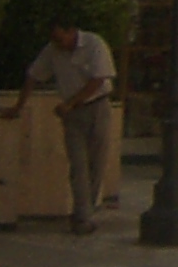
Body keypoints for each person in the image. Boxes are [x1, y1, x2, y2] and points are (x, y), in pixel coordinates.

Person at [27, 18, 117, 235]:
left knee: (96, 162)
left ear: (71, 31)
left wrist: (71, 102)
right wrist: (19, 105)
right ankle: (82, 215)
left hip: (96, 106)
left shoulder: (94, 44)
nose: (59, 45)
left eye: (61, 38)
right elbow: (33, 76)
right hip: (73, 114)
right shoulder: (53, 51)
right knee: (78, 165)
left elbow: (98, 80)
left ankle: (87, 207)